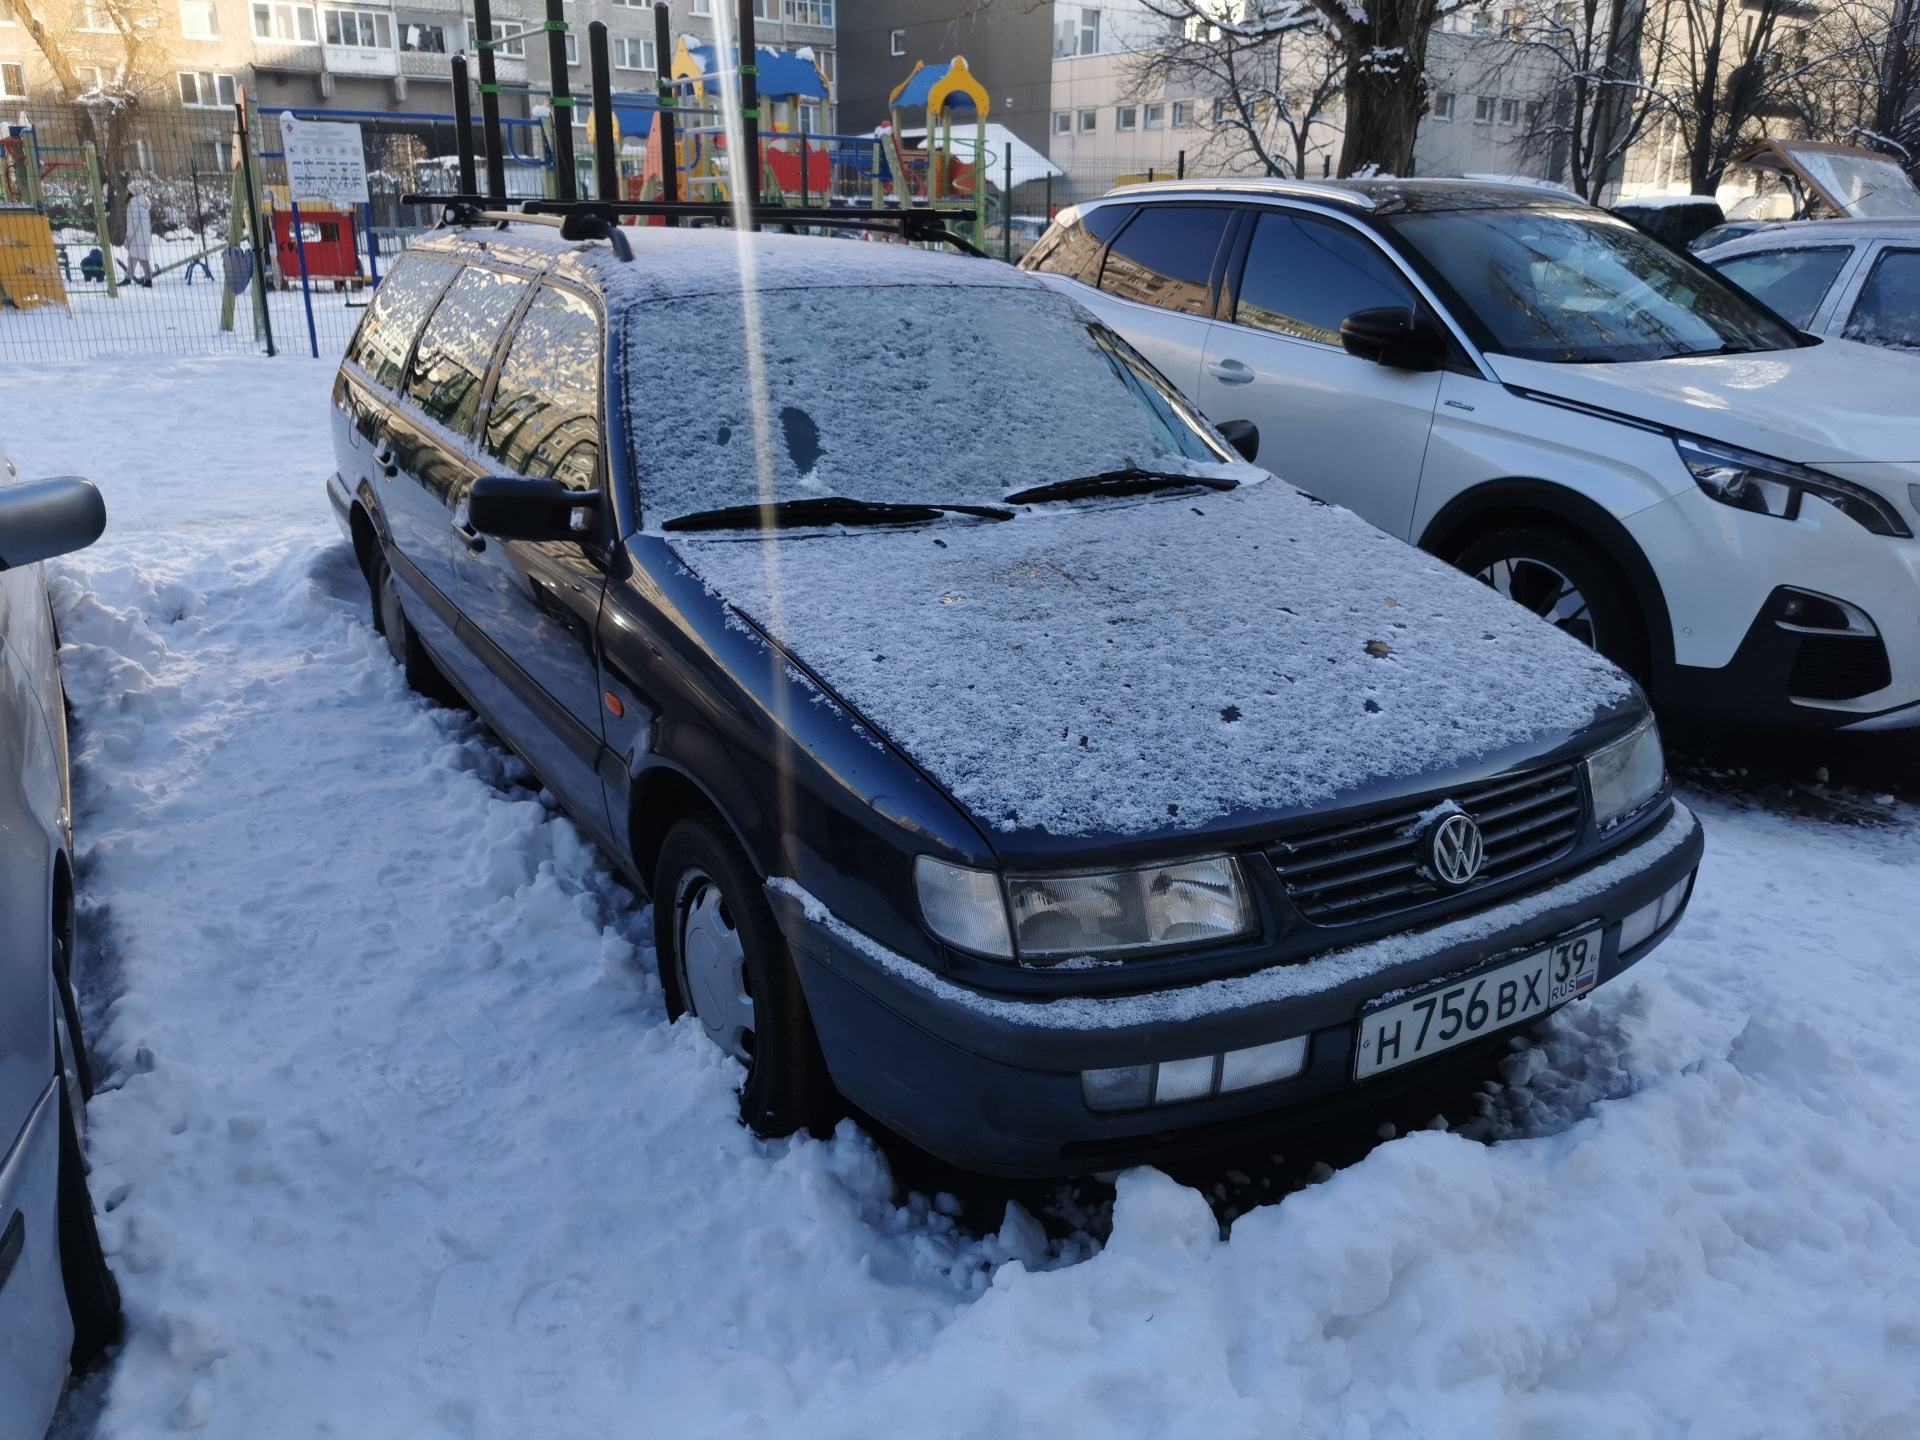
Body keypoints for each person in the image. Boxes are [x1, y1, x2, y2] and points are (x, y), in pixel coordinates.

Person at [125, 178, 154, 288]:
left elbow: (133, 223)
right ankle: (132, 278)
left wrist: (129, 238)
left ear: (131, 193)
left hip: (136, 236)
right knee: (140, 258)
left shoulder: (133, 204)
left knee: (135, 257)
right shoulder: (142, 203)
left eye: (127, 190)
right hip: (143, 236)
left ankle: (130, 279)